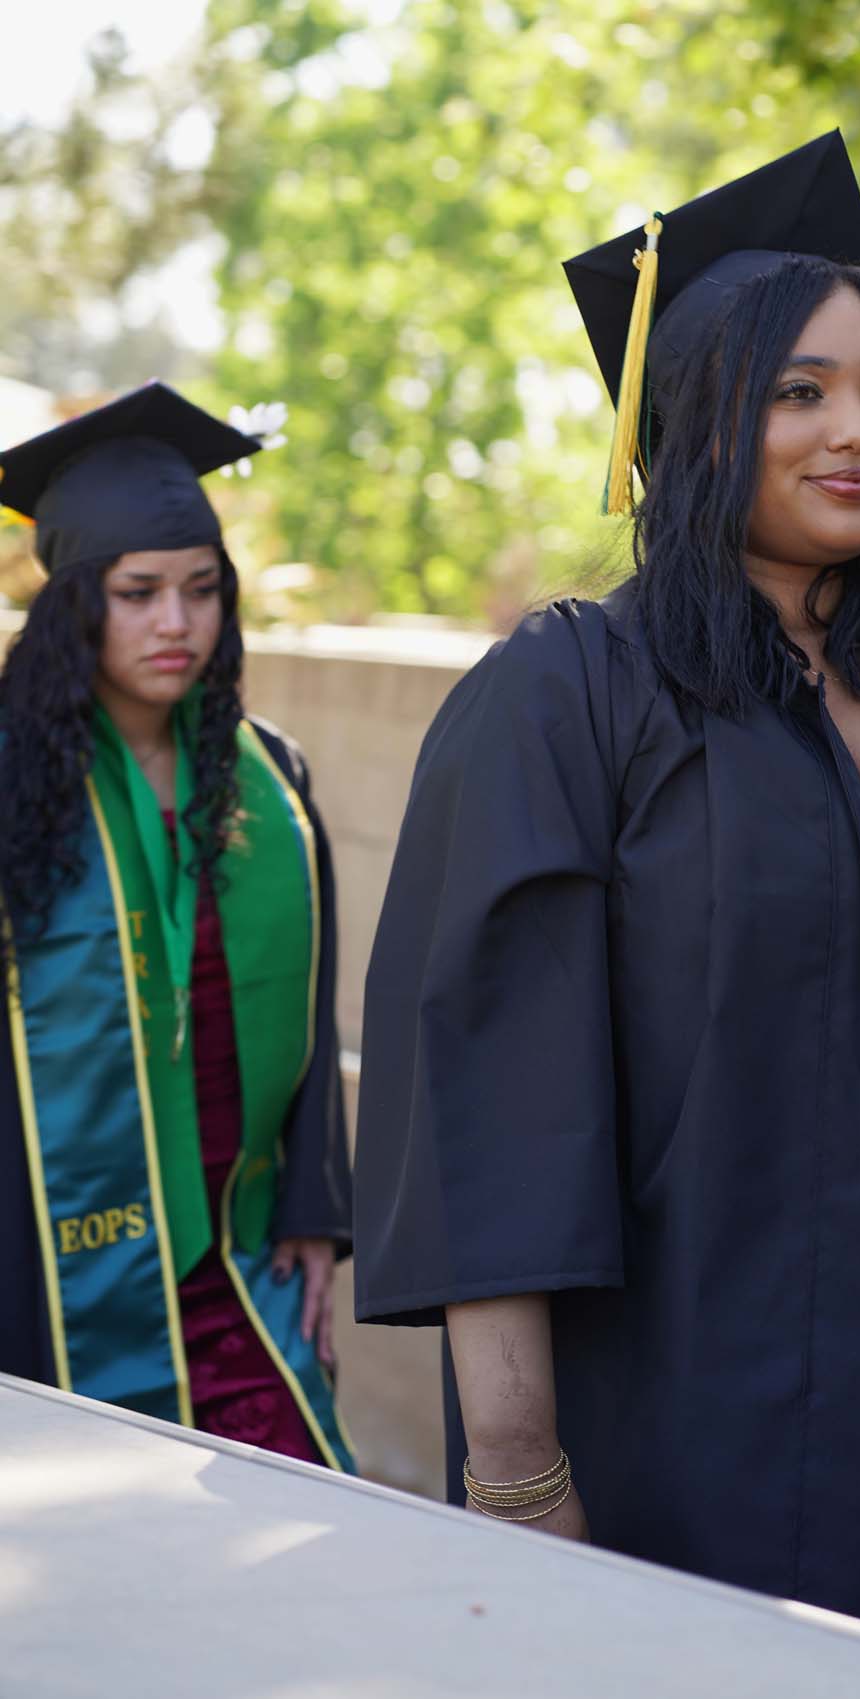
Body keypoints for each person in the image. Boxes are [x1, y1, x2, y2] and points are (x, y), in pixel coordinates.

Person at [352, 133, 860, 1675]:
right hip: (692, 1414)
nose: (856, 428)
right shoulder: (569, 697)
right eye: (797, 391)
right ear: (691, 421)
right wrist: (522, 1465)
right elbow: (498, 1111)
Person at [0, 383, 354, 1470]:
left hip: (235, 1261)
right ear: (73, 602)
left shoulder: (266, 779)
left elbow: (311, 1004)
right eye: (137, 591)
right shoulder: (13, 784)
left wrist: (312, 1211)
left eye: (202, 591)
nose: (175, 623)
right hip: (45, 1265)